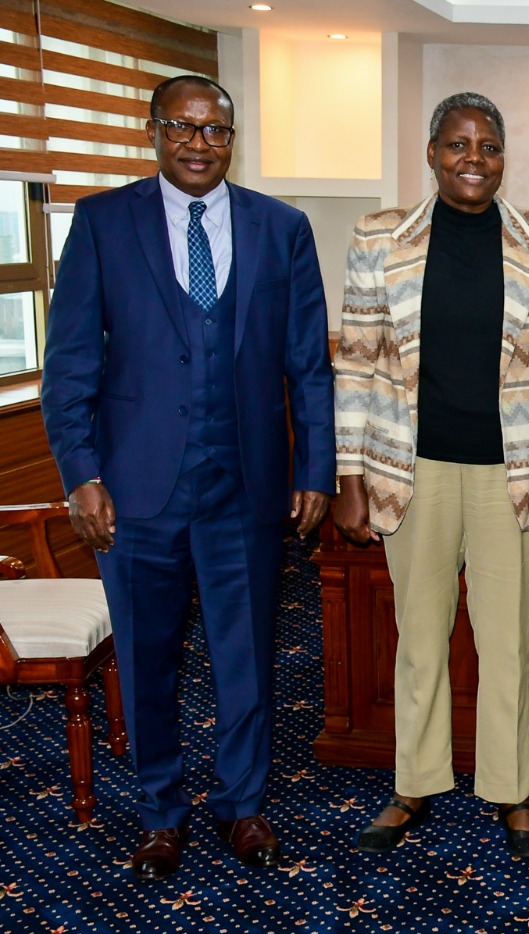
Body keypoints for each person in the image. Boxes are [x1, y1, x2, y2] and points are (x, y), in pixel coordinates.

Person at [41, 75, 334, 880]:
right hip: (136, 489)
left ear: (232, 139)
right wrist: (81, 473)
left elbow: (309, 365)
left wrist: (316, 467)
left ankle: (243, 805)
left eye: (215, 131)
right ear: (154, 131)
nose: (198, 144)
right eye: (182, 127)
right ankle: (160, 812)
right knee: (147, 657)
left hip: (246, 484)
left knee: (247, 657)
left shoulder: (282, 228)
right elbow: (69, 366)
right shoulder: (103, 222)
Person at [332, 92, 529, 858]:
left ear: (503, 157)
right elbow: (357, 363)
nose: (473, 158)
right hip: (412, 470)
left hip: (514, 474)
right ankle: (413, 783)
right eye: (458, 144)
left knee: (506, 643)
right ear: (433, 153)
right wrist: (348, 474)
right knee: (419, 637)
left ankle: (512, 789)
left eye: (488, 146)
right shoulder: (380, 237)